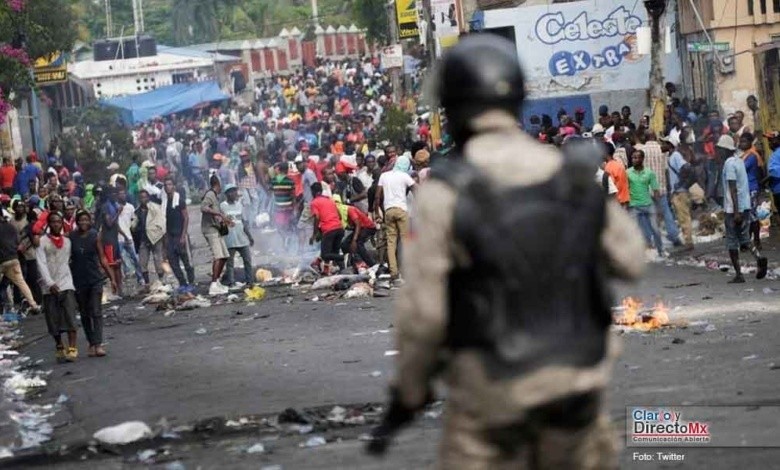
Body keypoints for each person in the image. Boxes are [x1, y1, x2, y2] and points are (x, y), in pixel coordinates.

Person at [366, 35, 645, 468]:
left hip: (493, 397)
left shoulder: (445, 191)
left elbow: (424, 316)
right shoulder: (564, 172)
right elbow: (631, 258)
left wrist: (409, 393)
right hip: (576, 389)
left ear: (454, 108)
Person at [720, 135, 768, 283]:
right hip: (744, 206)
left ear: (724, 150)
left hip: (733, 209)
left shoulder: (729, 164)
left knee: (732, 242)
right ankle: (759, 258)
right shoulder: (739, 160)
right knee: (744, 239)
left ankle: (739, 274)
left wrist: (736, 212)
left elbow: (733, 189)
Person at [71, 210, 116, 358]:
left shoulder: (94, 236)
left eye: (86, 220)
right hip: (78, 280)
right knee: (85, 313)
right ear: (77, 222)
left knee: (96, 312)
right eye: (81, 220)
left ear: (90, 221)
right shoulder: (71, 237)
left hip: (95, 279)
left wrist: (112, 278)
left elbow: (102, 258)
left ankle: (98, 344)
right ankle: (91, 343)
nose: (84, 222)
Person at [36, 212, 79, 362]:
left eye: (58, 222)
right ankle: (59, 345)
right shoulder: (42, 242)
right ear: (49, 224)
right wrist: (49, 282)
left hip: (66, 282)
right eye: (53, 222)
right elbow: (41, 263)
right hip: (49, 286)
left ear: (62, 224)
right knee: (53, 320)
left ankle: (72, 347)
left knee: (70, 316)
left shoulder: (67, 242)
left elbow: (69, 260)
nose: (56, 224)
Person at [375, 155, 415, 283]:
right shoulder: (404, 176)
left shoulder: (384, 176)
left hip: (388, 211)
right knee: (406, 241)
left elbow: (377, 197)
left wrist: (377, 211)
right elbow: (416, 189)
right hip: (402, 210)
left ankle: (394, 272)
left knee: (391, 243)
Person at [643, 131, 681, 246]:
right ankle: (674, 236)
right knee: (666, 211)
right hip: (660, 187)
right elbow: (665, 169)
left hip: (646, 188)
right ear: (655, 138)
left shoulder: (642, 151)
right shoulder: (661, 150)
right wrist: (668, 186)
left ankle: (649, 239)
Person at [0, 212, 41, 314]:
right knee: (21, 283)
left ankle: (5, 310)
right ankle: (34, 305)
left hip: (1, 260)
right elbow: (18, 241)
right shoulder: (10, 227)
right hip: (13, 258)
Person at [627, 149, 665, 258]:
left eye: (636, 157)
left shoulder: (649, 173)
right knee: (633, 230)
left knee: (655, 229)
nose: (634, 160)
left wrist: (659, 207)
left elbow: (656, 190)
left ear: (642, 159)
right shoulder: (628, 173)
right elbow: (625, 188)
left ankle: (661, 250)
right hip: (634, 205)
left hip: (648, 204)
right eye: (633, 158)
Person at [162, 176, 195, 293]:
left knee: (186, 260)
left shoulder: (179, 200)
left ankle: (191, 282)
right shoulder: (164, 202)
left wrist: (183, 235)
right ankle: (182, 282)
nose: (167, 187)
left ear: (174, 186)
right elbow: (164, 220)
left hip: (180, 234)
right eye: (165, 185)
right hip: (170, 236)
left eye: (169, 184)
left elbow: (186, 217)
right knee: (172, 261)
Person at [220, 184, 254, 287]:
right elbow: (220, 223)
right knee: (230, 263)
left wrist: (250, 236)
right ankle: (231, 282)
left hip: (242, 238)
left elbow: (243, 222)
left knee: (247, 260)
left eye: (235, 191)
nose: (234, 193)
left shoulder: (240, 205)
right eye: (232, 191)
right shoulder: (222, 206)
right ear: (227, 194)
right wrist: (222, 238)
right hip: (229, 239)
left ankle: (250, 281)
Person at [202, 174, 230, 296]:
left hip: (217, 229)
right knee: (218, 256)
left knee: (224, 256)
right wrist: (218, 214)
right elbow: (203, 208)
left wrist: (225, 218)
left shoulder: (215, 196)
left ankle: (217, 281)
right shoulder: (209, 195)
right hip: (210, 230)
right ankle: (213, 285)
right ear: (217, 184)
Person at [131, 190, 166, 288]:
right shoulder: (137, 211)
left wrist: (161, 233)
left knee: (158, 259)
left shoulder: (155, 208)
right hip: (143, 239)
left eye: (145, 197)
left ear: (148, 197)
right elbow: (133, 225)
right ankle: (147, 283)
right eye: (141, 197)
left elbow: (161, 221)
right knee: (143, 261)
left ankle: (161, 280)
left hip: (155, 237)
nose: (143, 199)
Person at [666, 135, 695, 250]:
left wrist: (680, 183)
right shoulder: (673, 156)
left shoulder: (676, 156)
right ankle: (688, 240)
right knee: (682, 217)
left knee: (684, 217)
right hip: (678, 191)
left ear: (670, 145)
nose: (663, 145)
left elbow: (686, 168)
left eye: (665, 143)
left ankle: (688, 242)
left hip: (680, 192)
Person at [309, 182, 344, 274]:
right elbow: (339, 216)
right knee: (331, 253)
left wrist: (314, 234)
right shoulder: (329, 200)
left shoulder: (314, 202)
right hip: (339, 229)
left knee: (326, 254)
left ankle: (344, 257)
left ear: (314, 192)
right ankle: (327, 270)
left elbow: (316, 217)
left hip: (329, 230)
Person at [738, 132, 764, 248]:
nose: (741, 144)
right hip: (746, 188)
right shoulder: (746, 154)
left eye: (744, 141)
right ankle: (748, 241)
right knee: (747, 215)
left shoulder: (752, 156)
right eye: (741, 141)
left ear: (750, 142)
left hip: (751, 188)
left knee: (752, 216)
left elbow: (741, 168)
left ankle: (756, 241)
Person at [117, 188, 144, 287]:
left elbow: (134, 219)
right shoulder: (115, 207)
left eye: (123, 193)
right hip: (118, 238)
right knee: (122, 260)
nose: (122, 195)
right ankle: (125, 281)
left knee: (135, 258)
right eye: (120, 194)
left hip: (129, 236)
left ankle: (140, 278)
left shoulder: (130, 207)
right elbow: (114, 223)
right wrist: (118, 212)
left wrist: (134, 227)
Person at [341, 203, 377, 271]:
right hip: (361, 228)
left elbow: (358, 224)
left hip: (368, 227)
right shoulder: (341, 213)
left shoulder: (350, 210)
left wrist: (354, 240)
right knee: (344, 244)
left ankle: (372, 264)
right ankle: (353, 261)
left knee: (358, 243)